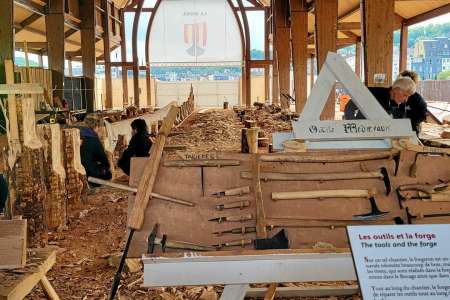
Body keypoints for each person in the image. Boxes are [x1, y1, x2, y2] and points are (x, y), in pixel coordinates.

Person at [344, 77, 427, 133]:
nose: (406, 100)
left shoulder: (401, 105)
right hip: (362, 134)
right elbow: (350, 106)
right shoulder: (373, 93)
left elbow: (399, 124)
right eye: (405, 95)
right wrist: (354, 126)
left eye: (408, 97)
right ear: (396, 89)